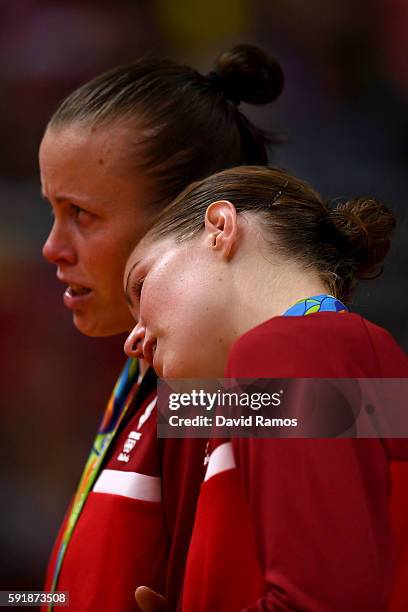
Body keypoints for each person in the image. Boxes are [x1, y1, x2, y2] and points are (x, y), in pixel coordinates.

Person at [39, 46, 285, 612]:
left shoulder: (221, 389)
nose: (52, 248)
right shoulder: (152, 382)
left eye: (82, 214)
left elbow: (368, 418)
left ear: (190, 217)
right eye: (51, 209)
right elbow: (66, 597)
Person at [124, 165, 408, 611]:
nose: (132, 339)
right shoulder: (333, 351)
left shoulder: (290, 348)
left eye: (139, 286)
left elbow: (324, 602)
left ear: (219, 228)